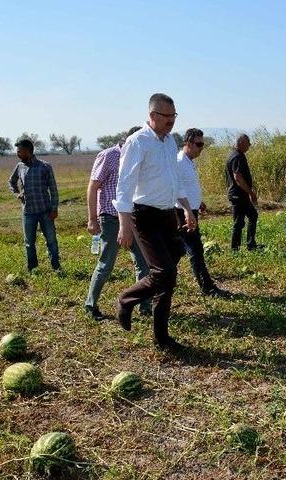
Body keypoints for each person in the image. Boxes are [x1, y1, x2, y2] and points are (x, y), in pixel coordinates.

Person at [114, 93, 197, 353]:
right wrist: (124, 224)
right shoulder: (137, 142)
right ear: (152, 116)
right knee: (164, 273)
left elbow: (174, 180)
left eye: (174, 116)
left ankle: (162, 338)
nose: (171, 121)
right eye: (166, 117)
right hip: (144, 215)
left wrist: (185, 208)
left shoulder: (170, 142)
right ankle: (126, 300)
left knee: (168, 275)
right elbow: (124, 185)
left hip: (166, 215)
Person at [84, 126, 152, 320]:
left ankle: (144, 307)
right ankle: (90, 305)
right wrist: (92, 218)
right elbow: (93, 186)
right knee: (106, 263)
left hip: (133, 218)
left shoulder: (140, 157)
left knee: (144, 264)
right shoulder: (109, 156)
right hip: (111, 218)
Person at [175, 128, 230, 297]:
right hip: (182, 212)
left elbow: (188, 186)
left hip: (190, 209)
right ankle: (208, 288)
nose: (201, 148)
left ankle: (165, 278)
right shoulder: (179, 161)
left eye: (202, 144)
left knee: (177, 250)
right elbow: (176, 189)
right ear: (188, 143)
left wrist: (199, 202)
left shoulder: (189, 160)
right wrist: (187, 210)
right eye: (198, 144)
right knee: (196, 249)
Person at [7, 139, 60, 272]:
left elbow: (53, 189)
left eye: (19, 151)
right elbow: (11, 182)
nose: (17, 153)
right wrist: (17, 193)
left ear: (28, 151)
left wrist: (54, 208)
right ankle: (33, 268)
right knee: (29, 242)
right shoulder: (20, 167)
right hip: (28, 212)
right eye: (17, 151)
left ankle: (56, 266)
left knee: (51, 240)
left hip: (45, 211)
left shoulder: (45, 166)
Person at [226, 133, 260, 250]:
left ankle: (241, 246)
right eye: (248, 142)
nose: (250, 145)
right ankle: (244, 246)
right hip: (238, 195)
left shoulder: (233, 154)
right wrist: (250, 192)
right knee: (244, 220)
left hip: (237, 194)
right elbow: (237, 177)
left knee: (244, 219)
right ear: (241, 143)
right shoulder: (237, 156)